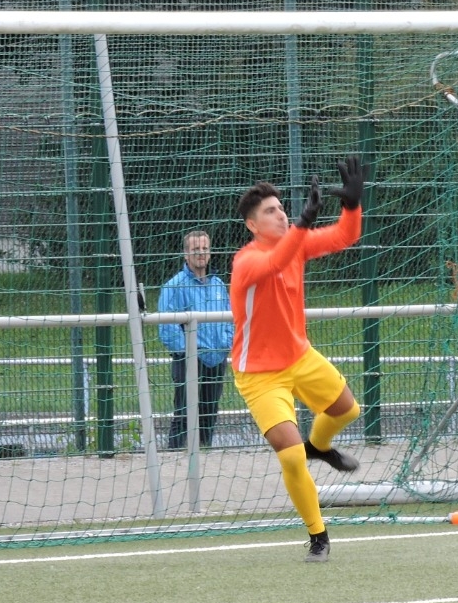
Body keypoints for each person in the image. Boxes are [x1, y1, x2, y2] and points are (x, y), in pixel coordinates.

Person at [230, 158, 367, 561]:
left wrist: (352, 205)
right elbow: (274, 262)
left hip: (300, 356)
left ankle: (319, 446)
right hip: (260, 374)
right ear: (252, 225)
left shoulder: (297, 242)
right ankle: (318, 536)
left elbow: (345, 235)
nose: (281, 214)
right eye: (270, 211)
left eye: (281, 208)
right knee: (290, 455)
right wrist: (304, 223)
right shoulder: (246, 261)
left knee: (348, 410)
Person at [157, 229, 234, 449]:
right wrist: (190, 351)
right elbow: (167, 327)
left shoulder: (218, 285)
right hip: (189, 361)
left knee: (209, 414)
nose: (201, 253)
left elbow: (231, 318)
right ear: (185, 254)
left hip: (216, 359)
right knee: (184, 414)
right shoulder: (174, 286)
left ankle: (205, 454)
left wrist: (225, 344)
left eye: (204, 248)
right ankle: (175, 456)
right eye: (195, 249)